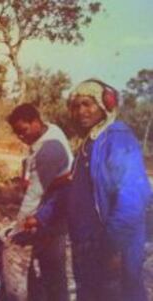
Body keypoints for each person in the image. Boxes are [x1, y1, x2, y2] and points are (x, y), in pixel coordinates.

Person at [25, 79, 152, 301]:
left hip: (109, 246)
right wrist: (41, 216)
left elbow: (132, 199)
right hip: (86, 247)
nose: (80, 111)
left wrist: (114, 247)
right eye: (75, 106)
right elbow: (73, 190)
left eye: (87, 104)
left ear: (105, 105)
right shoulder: (88, 144)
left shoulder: (117, 138)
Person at [4, 103, 73, 301]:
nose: (21, 137)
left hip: (52, 211)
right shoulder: (50, 130)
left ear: (35, 122)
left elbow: (34, 195)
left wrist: (18, 227)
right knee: (52, 266)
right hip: (53, 209)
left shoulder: (49, 150)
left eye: (23, 131)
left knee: (16, 253)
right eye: (17, 133)